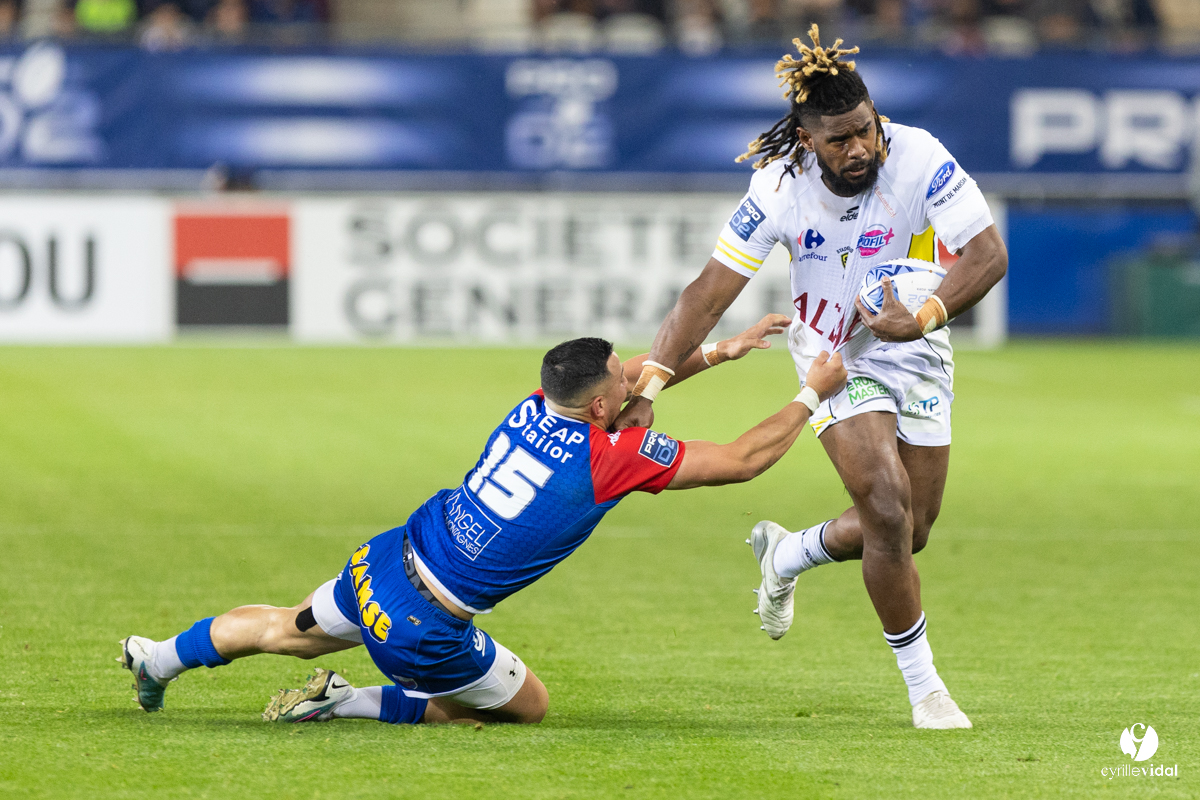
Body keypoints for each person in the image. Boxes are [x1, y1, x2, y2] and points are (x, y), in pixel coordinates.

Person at [118, 316, 846, 726]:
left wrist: (718, 352)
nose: (634, 379)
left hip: (385, 558)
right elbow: (747, 458)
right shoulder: (610, 460)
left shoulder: (535, 402)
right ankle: (350, 704)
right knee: (525, 709)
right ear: (602, 407)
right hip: (424, 628)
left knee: (284, 629)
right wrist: (814, 392)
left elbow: (616, 382)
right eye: (624, 383)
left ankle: (160, 658)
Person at [614, 25, 1007, 729]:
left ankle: (789, 552)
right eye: (839, 140)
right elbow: (707, 292)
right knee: (885, 505)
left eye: (865, 131)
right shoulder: (776, 187)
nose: (859, 149)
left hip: (915, 344)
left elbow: (986, 254)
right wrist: (649, 386)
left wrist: (923, 319)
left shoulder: (919, 155)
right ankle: (927, 692)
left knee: (911, 530)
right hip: (832, 355)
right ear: (806, 141)